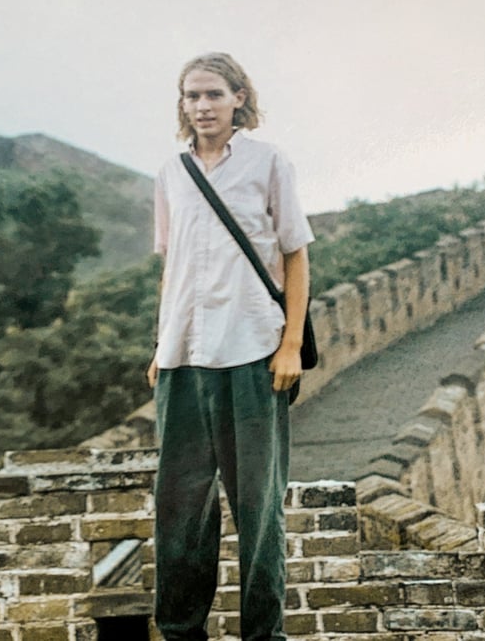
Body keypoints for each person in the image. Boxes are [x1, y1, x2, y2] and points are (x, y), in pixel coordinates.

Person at [146, 52, 314, 641]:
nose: (202, 106)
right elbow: (176, 267)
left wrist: (291, 344)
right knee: (179, 511)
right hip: (183, 359)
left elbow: (295, 254)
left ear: (239, 97)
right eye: (191, 96)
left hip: (252, 354)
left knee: (257, 508)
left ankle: (263, 636)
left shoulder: (268, 162)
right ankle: (181, 632)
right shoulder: (171, 172)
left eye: (213, 94)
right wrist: (159, 342)